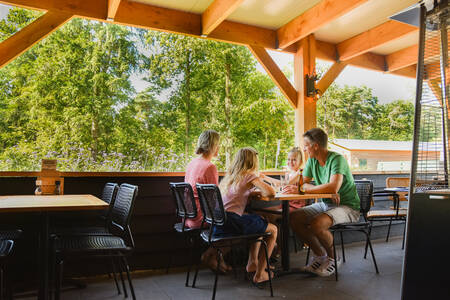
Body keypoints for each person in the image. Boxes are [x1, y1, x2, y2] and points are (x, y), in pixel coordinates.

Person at [284, 128, 360, 277]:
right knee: (294, 217)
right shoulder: (312, 161)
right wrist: (320, 189)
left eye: (306, 146)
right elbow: (302, 185)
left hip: (347, 207)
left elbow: (333, 186)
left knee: (317, 223)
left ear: (315, 146)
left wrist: (313, 188)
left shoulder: (337, 159)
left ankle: (333, 258)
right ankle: (320, 256)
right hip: (327, 204)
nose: (304, 150)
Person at [218, 147, 277, 286]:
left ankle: (253, 263)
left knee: (260, 222)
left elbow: (235, 194)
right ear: (253, 161)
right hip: (233, 221)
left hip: (222, 220)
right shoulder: (249, 175)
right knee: (273, 230)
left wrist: (249, 194)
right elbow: (271, 192)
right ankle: (260, 273)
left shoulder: (231, 176)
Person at [184, 129, 230, 272]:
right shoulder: (210, 167)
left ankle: (218, 260)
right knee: (236, 223)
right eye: (218, 144)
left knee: (231, 219)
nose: (219, 148)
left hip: (189, 216)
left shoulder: (192, 163)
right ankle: (210, 256)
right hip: (202, 218)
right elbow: (214, 201)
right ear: (213, 145)